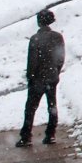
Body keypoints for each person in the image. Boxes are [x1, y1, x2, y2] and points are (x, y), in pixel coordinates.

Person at [16, 9, 66, 147]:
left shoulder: (35, 39)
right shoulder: (58, 37)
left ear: (39, 22)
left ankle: (26, 136)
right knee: (52, 105)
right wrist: (55, 71)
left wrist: (30, 77)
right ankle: (50, 134)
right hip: (52, 77)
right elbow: (60, 58)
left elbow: (32, 62)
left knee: (30, 108)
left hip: (38, 79)